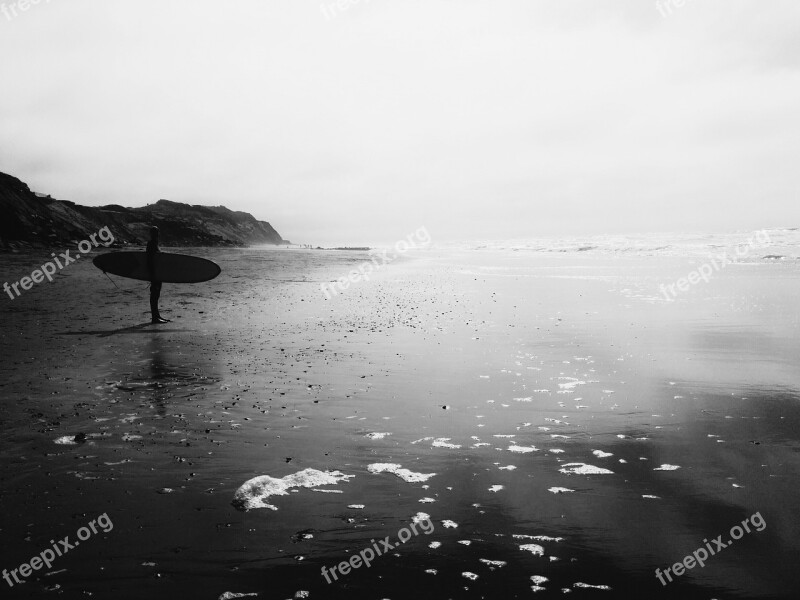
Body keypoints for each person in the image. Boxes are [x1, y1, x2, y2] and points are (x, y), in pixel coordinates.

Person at [146, 226, 169, 324]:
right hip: (154, 274)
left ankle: (157, 316)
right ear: (152, 234)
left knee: (156, 295)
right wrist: (153, 275)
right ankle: (154, 318)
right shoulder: (151, 244)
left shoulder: (154, 243)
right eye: (156, 233)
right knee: (154, 295)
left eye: (157, 232)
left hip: (157, 274)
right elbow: (150, 261)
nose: (157, 234)